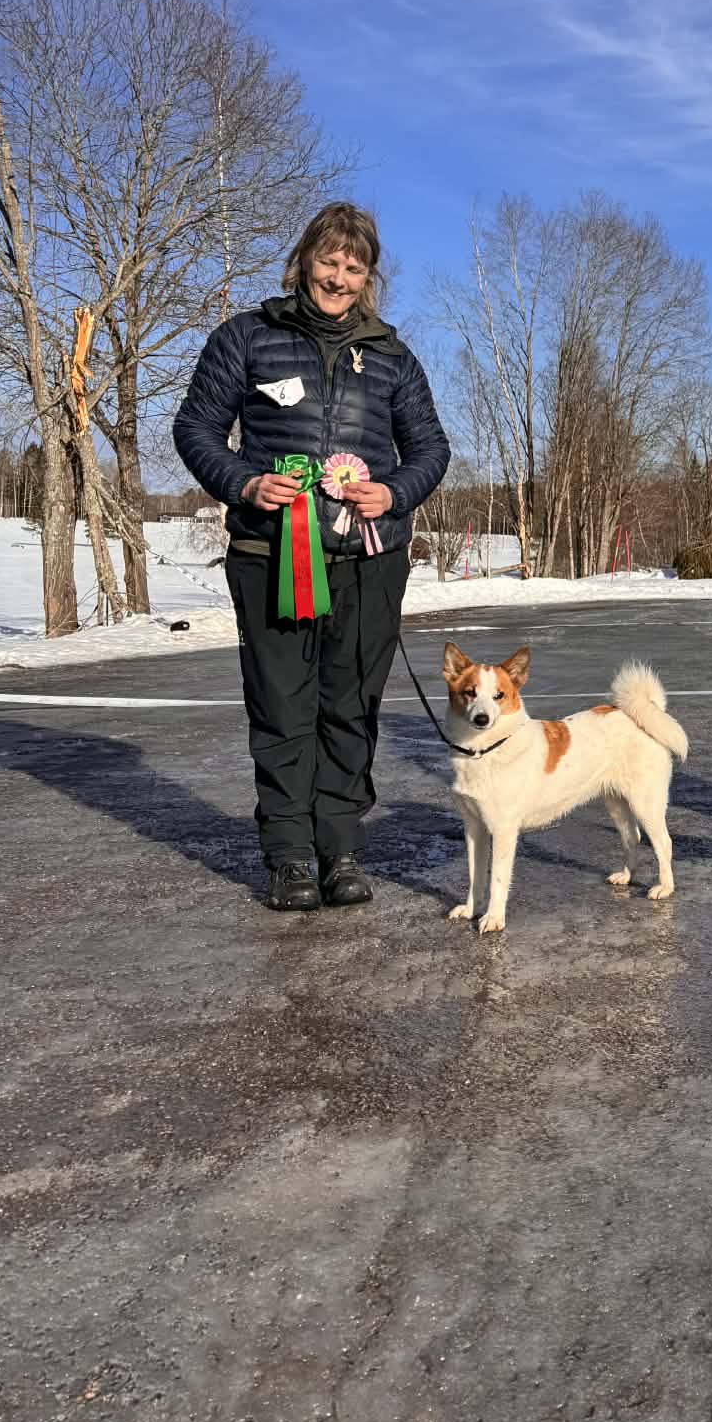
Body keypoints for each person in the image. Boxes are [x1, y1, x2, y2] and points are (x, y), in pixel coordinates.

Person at [174, 202, 450, 911]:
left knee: (350, 707)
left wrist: (391, 494)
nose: (340, 276)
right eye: (329, 261)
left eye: (354, 267)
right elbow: (197, 426)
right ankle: (290, 856)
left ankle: (342, 850)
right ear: (303, 262)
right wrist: (241, 481)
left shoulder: (392, 355)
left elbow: (431, 450)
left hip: (369, 559)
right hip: (271, 554)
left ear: (368, 277)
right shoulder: (247, 337)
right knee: (281, 706)